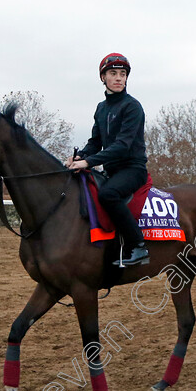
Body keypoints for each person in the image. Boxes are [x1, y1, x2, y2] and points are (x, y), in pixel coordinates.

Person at [68, 53, 150, 266]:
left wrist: (88, 162)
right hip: (112, 171)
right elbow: (96, 141)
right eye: (113, 73)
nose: (119, 78)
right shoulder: (101, 108)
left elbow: (122, 146)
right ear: (103, 77)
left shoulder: (133, 106)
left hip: (133, 169)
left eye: (122, 74)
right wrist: (80, 156)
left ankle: (138, 246)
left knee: (108, 194)